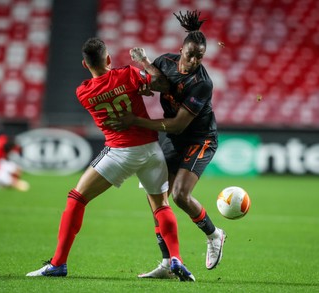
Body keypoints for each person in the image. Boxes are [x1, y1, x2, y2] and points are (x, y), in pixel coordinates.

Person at [25, 37, 195, 281]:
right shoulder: (129, 75)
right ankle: (176, 258)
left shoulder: (83, 92)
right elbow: (159, 83)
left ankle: (58, 263)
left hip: (119, 152)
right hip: (150, 149)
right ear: (108, 58)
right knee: (161, 206)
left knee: (76, 198)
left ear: (85, 65)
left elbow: (107, 91)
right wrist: (144, 82)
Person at [108, 10, 226, 278]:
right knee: (156, 196)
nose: (194, 60)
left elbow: (178, 124)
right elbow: (158, 81)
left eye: (200, 56)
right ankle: (167, 263)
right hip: (173, 139)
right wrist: (144, 81)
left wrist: (135, 121)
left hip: (199, 139)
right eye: (191, 54)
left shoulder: (202, 84)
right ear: (181, 49)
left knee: (180, 196)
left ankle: (214, 234)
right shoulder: (165, 62)